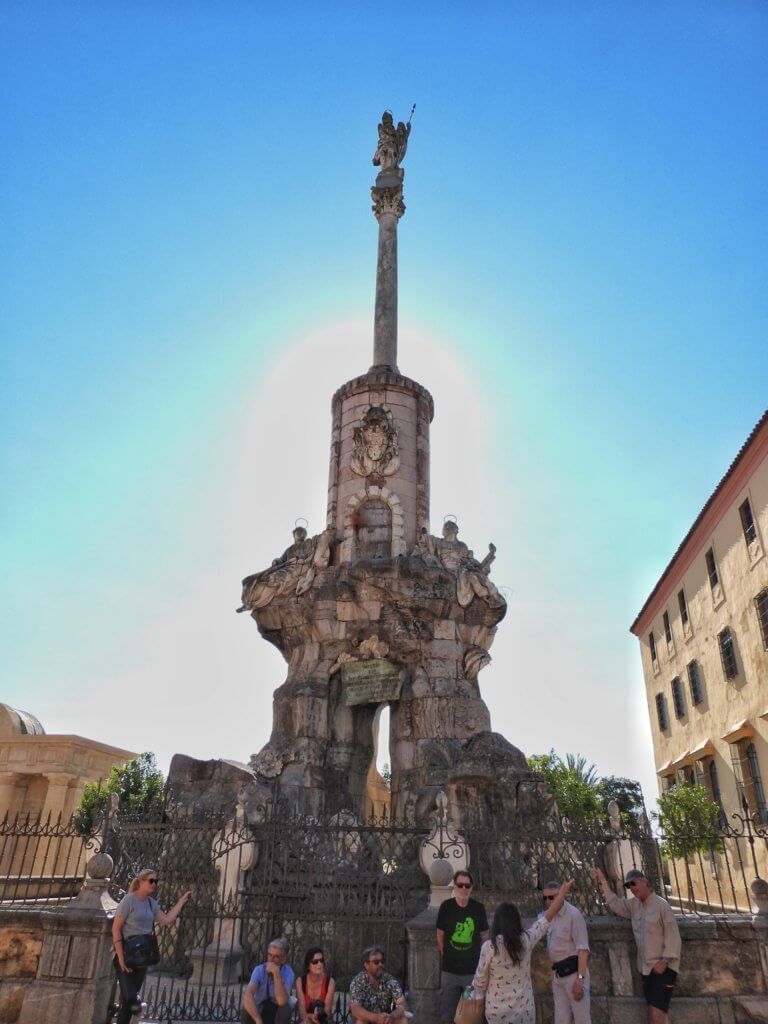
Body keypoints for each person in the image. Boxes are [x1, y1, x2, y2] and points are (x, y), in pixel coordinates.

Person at [471, 879, 574, 1024]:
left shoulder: (489, 947)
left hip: (495, 1013)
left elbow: (480, 982)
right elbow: (545, 920)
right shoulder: (526, 940)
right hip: (524, 1011)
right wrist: (561, 893)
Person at [594, 867, 681, 1024]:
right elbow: (615, 904)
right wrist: (603, 881)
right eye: (628, 886)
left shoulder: (662, 905)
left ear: (644, 882)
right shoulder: (634, 906)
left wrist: (665, 961)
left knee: (655, 1014)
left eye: (633, 884)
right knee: (660, 1013)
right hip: (646, 969)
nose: (631, 889)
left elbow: (673, 935)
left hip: (663, 968)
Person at [111, 867, 192, 1024]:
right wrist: (120, 958)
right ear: (141, 881)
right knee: (131, 998)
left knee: (127, 1004)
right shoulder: (129, 900)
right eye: (151, 880)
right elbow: (116, 928)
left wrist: (181, 901)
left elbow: (166, 920)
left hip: (141, 958)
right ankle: (140, 1006)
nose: (154, 884)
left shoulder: (151, 903)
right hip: (126, 956)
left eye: (156, 881)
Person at [436, 869, 489, 1024]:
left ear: (472, 887)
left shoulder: (478, 908)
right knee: (447, 1014)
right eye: (460, 885)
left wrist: (482, 961)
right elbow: (440, 934)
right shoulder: (446, 907)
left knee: (471, 1015)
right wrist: (445, 954)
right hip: (450, 972)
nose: (464, 889)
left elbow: (485, 935)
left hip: (471, 975)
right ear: (454, 886)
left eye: (467, 886)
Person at [539, 880, 591, 1024]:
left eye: (552, 897)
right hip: (558, 974)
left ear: (561, 896)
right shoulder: (548, 916)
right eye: (545, 898)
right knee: (561, 1019)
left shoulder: (573, 915)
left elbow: (582, 949)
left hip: (574, 974)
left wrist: (580, 980)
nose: (548, 901)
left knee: (582, 1019)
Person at [349, 945, 408, 1024]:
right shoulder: (358, 981)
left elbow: (402, 1003)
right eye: (376, 962)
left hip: (385, 1020)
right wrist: (375, 1018)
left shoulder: (389, 980)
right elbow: (355, 1008)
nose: (380, 965)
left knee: (402, 1020)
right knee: (360, 1022)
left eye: (382, 961)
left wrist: (392, 1016)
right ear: (366, 965)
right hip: (367, 1019)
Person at [242, 938, 296, 1024]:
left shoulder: (288, 973)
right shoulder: (259, 970)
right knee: (246, 1009)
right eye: (270, 955)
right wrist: (258, 1020)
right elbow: (248, 993)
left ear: (284, 959)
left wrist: (276, 974)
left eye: (276, 957)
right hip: (260, 1010)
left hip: (277, 1012)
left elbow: (282, 1001)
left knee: (286, 1009)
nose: (271, 960)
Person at [297, 947, 336, 1024]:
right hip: (306, 1020)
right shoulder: (300, 981)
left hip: (324, 1020)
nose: (320, 964)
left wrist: (317, 1018)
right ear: (308, 966)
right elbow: (302, 1012)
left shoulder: (330, 982)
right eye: (315, 962)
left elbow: (327, 1011)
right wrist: (311, 1017)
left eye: (321, 961)